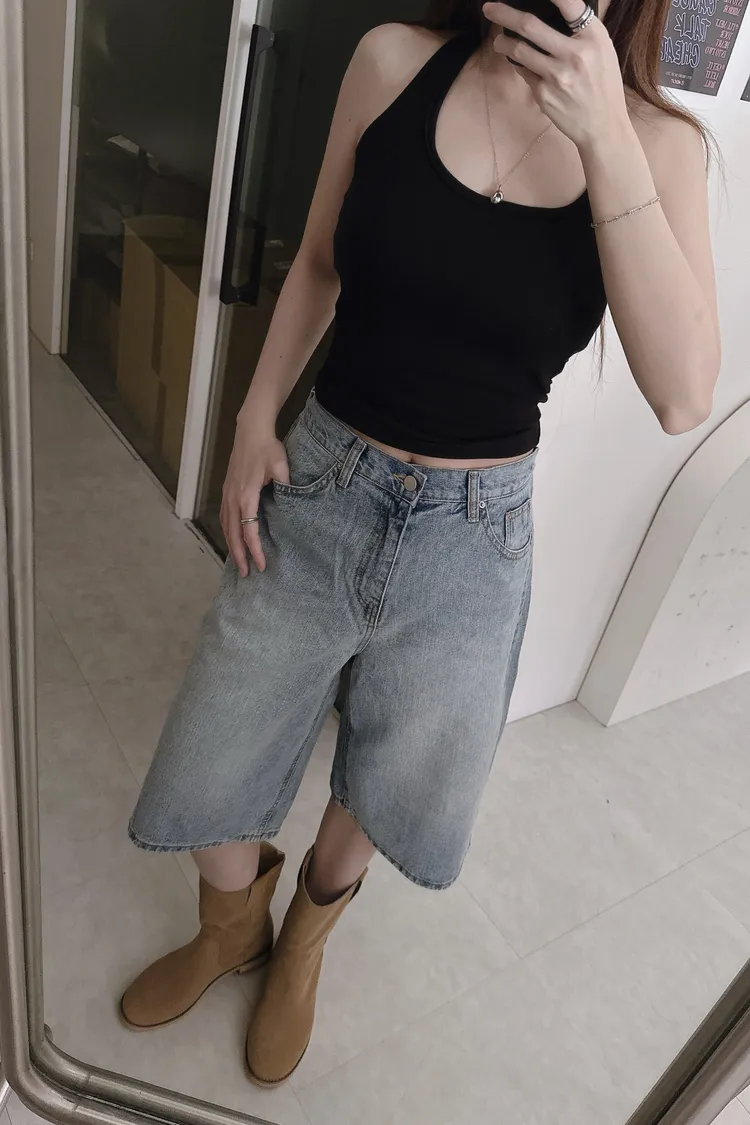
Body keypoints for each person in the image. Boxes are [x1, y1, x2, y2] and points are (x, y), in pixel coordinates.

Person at [120, 0, 720, 1088]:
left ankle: (303, 943)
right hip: (322, 483)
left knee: (389, 784)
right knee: (206, 767)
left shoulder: (660, 147)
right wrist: (254, 417)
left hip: (474, 541)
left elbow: (683, 395)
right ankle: (232, 929)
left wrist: (602, 134)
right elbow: (317, 260)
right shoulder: (392, 61)